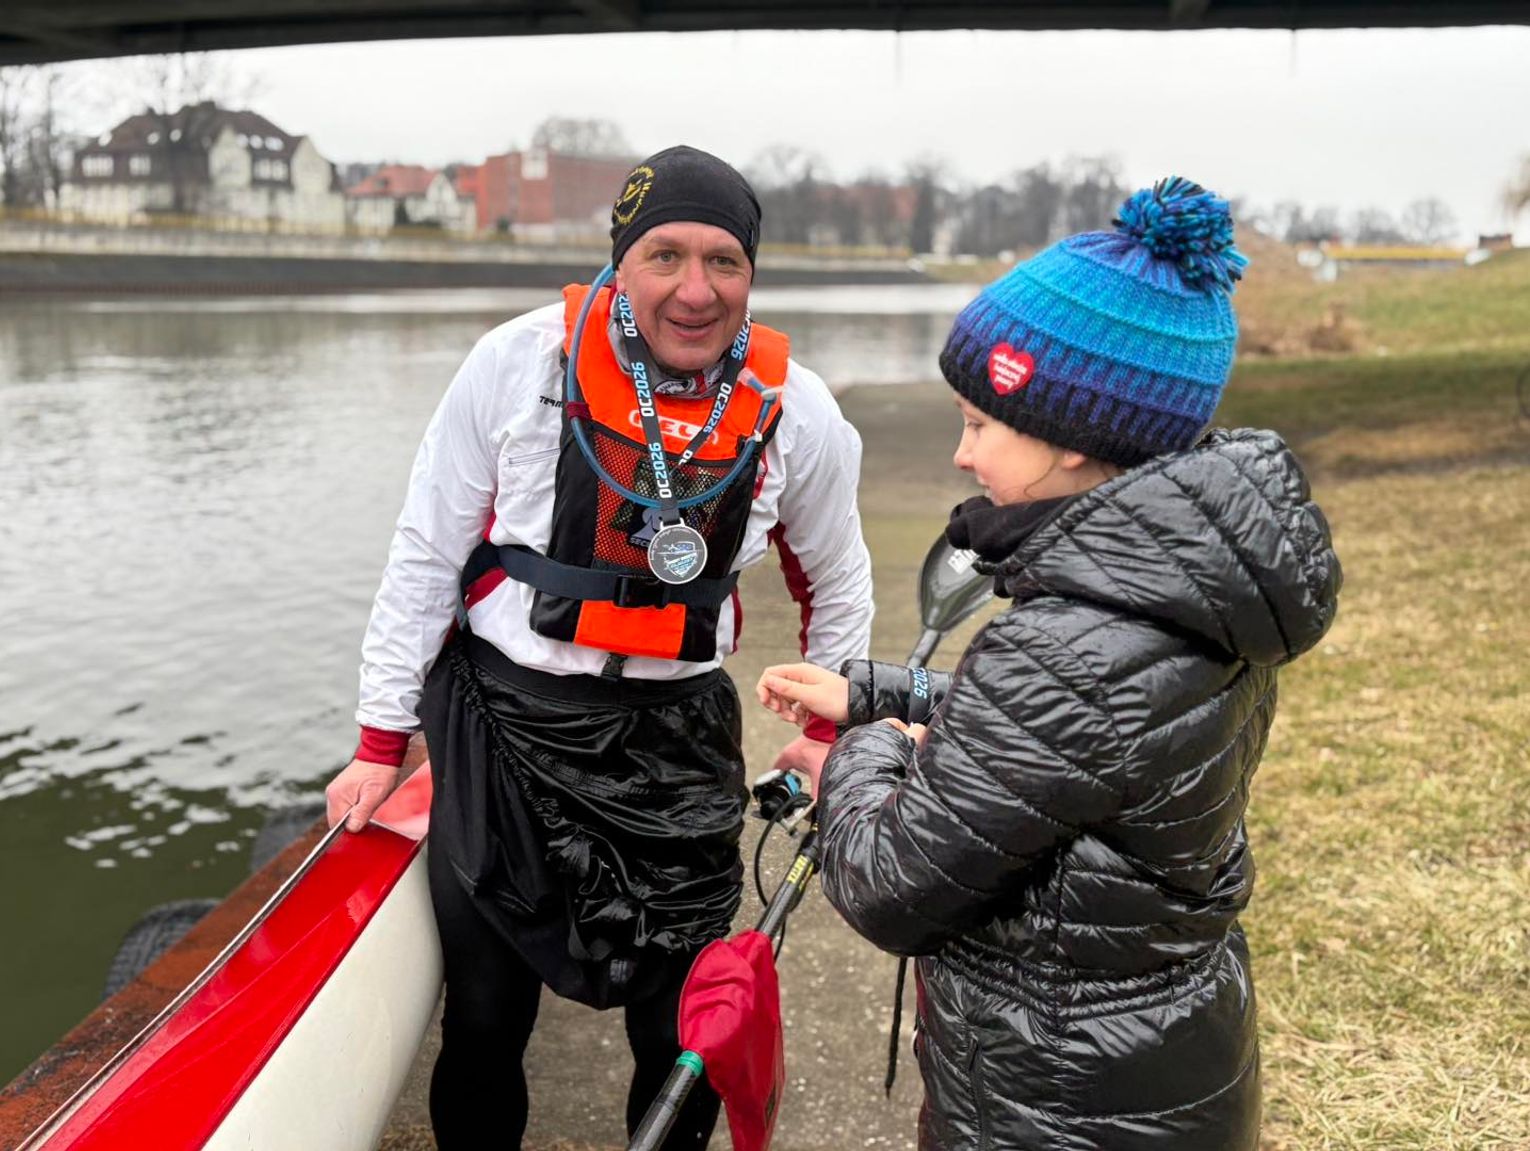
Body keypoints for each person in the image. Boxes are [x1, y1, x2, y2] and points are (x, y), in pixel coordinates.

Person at [758, 178, 1342, 1151]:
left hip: (1054, 1088)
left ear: (1072, 439)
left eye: (980, 422)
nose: (957, 453)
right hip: (1165, 1049)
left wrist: (856, 756)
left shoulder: (1073, 640)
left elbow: (892, 884)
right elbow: (1096, 735)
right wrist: (881, 693)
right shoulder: (1190, 582)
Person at [325, 145, 874, 1150]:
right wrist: (378, 738)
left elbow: (835, 577)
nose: (695, 291)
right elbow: (424, 552)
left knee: (681, 1038)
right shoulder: (514, 362)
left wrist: (832, 735)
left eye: (725, 262)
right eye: (665, 256)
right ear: (621, 259)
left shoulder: (803, 413)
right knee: (486, 1019)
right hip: (505, 727)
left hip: (676, 743)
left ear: (754, 272)